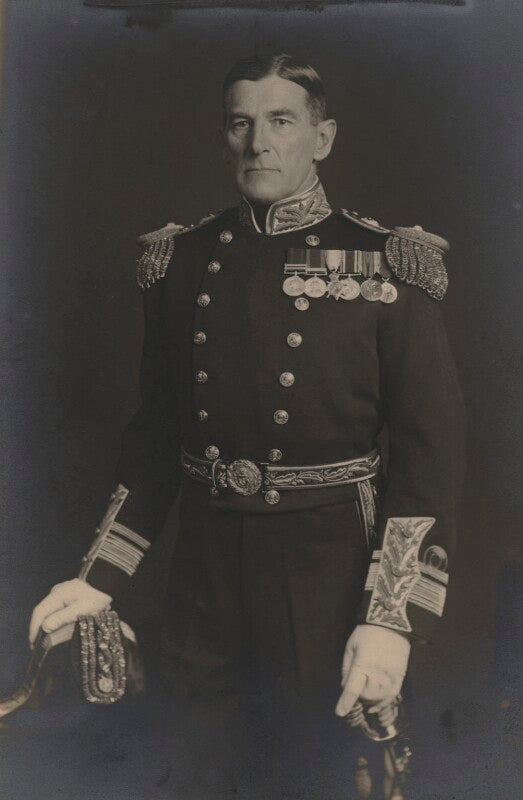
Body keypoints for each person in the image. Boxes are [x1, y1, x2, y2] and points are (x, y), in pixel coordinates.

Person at [29, 54, 466, 799]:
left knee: (317, 776)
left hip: (328, 580)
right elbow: (156, 441)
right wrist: (98, 578)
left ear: (322, 139)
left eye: (281, 122)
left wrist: (391, 619)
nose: (258, 143)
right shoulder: (180, 262)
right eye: (242, 123)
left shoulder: (388, 264)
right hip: (202, 579)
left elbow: (430, 460)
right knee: (195, 773)